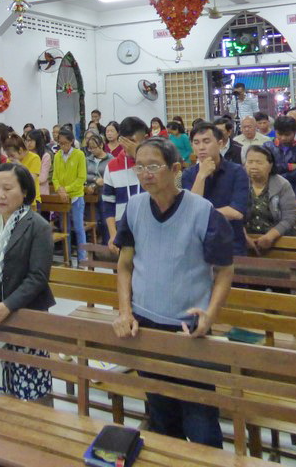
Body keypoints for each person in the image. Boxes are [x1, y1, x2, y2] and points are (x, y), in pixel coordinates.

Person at [112, 137, 234, 447]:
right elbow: (124, 265)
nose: (145, 174)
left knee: (201, 421)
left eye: (154, 166)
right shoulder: (135, 207)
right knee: (161, 414)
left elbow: (224, 270)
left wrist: (211, 314)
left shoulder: (202, 211)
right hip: (145, 327)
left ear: (176, 169)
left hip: (188, 330)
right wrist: (125, 311)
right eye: (139, 167)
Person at [0, 164, 55, 402]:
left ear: (24, 191)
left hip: (26, 315)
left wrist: (7, 306)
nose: (0, 195)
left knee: (33, 388)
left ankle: (40, 422)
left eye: (7, 188)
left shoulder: (37, 226)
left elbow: (38, 277)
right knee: (4, 384)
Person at [182, 122, 250, 255]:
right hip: (199, 244)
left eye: (206, 141)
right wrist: (201, 176)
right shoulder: (189, 174)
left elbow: (236, 212)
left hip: (231, 244)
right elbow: (190, 211)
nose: (201, 147)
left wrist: (200, 215)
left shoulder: (237, 172)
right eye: (196, 142)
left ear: (220, 144)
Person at [100, 117, 150, 250]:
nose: (127, 146)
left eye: (132, 141)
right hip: (123, 233)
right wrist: (113, 235)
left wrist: (139, 157)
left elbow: (158, 188)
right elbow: (108, 203)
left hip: (151, 230)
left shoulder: (153, 163)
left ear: (145, 139)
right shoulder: (112, 166)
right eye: (124, 141)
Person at [242, 146, 296, 253]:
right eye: (250, 162)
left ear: (270, 165)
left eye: (259, 162)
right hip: (245, 239)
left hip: (279, 239)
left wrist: (270, 236)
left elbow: (290, 217)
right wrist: (243, 235)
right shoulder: (240, 182)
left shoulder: (282, 185)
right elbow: (234, 213)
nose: (253, 166)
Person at [52, 127, 87, 262]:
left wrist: (65, 189)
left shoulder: (79, 155)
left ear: (71, 141)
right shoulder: (57, 156)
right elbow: (55, 177)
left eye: (65, 143)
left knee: (78, 228)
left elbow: (81, 178)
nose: (63, 146)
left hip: (76, 196)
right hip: (63, 198)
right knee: (64, 228)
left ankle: (82, 258)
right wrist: (59, 189)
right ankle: (67, 258)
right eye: (60, 143)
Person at [263, 116, 296, 201]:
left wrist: (275, 176)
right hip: (272, 193)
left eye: (287, 135)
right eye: (280, 134)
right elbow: (265, 168)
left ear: (295, 132)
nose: (283, 138)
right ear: (275, 131)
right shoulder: (267, 146)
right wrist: (289, 166)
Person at [4, 132, 44, 207]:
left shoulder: (34, 158)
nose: (10, 158)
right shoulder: (9, 160)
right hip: (15, 199)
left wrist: (19, 165)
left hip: (32, 200)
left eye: (12, 155)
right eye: (8, 156)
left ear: (20, 150)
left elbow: (31, 179)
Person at [23, 129, 51, 202]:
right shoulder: (24, 155)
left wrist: (25, 181)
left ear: (38, 141)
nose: (28, 143)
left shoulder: (45, 156)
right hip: (26, 192)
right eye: (27, 140)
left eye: (31, 140)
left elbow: (43, 178)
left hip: (41, 193)